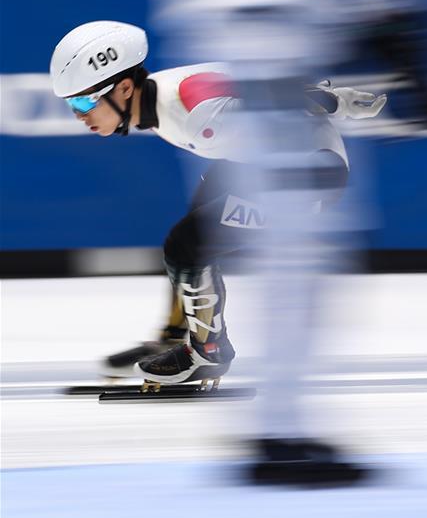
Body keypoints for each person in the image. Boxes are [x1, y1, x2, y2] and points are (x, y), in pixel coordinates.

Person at [49, 20, 385, 387]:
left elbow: (266, 90)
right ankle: (182, 337)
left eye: (83, 100)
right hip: (270, 165)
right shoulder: (163, 97)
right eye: (71, 104)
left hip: (312, 177)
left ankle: (207, 351)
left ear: (125, 87)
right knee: (193, 229)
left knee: (187, 244)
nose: (79, 115)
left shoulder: (194, 110)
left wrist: (335, 101)